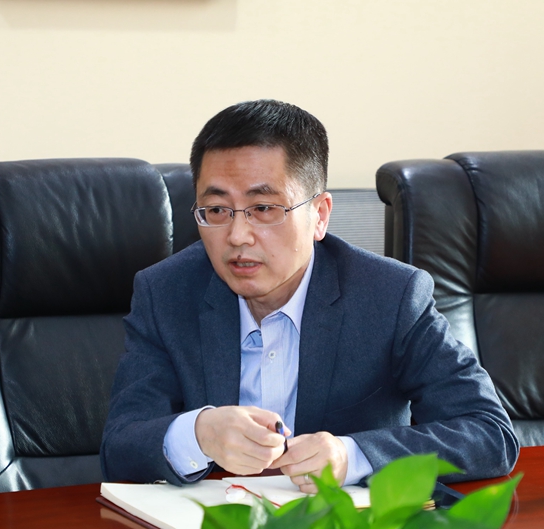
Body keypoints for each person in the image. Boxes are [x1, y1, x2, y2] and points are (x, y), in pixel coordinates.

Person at [100, 99, 519, 491]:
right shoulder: (166, 292)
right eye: (217, 210)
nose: (238, 236)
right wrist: (198, 434)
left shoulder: (390, 296)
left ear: (319, 215)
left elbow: (488, 433)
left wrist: (352, 457)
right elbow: (119, 449)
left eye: (264, 208)